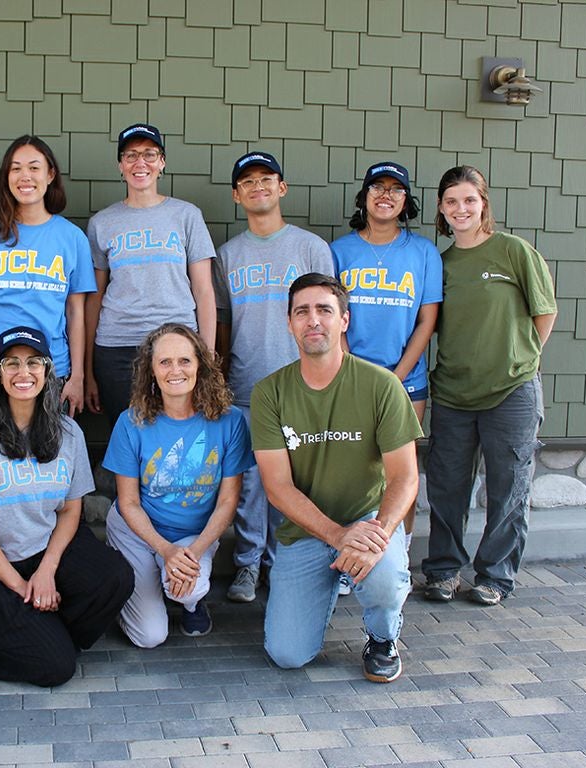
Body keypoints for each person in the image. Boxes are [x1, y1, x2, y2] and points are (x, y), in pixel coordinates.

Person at [252, 273, 422, 683]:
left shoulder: (381, 385)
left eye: (324, 310)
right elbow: (277, 487)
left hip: (368, 520)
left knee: (383, 578)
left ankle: (382, 637)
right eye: (302, 312)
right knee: (287, 654)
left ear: (344, 320)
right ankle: (329, 583)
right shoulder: (269, 394)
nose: (313, 320)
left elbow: (404, 477)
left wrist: (377, 533)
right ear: (290, 323)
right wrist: (336, 536)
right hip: (308, 528)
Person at [0, 326, 134, 687]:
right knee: (55, 668)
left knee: (115, 577)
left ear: (47, 371)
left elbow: (70, 511)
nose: (23, 372)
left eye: (33, 363)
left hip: (43, 547)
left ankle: (41, 628)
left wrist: (46, 572)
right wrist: (20, 586)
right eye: (11, 363)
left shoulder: (69, 433)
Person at [422, 166, 557, 607]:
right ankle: (443, 572)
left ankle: (495, 576)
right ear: (442, 210)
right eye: (451, 202)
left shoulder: (514, 252)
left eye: (469, 200)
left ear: (484, 203)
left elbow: (545, 312)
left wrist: (521, 358)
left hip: (511, 392)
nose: (461, 209)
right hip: (454, 393)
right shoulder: (439, 265)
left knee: (509, 486)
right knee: (447, 487)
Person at [213, 151, 333, 604]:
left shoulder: (309, 248)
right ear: (236, 195)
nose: (258, 187)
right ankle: (247, 566)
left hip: (305, 386)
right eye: (247, 182)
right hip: (248, 387)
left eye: (267, 179)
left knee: (305, 483)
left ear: (281, 188)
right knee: (251, 488)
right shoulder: (227, 255)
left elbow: (333, 319)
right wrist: (220, 380)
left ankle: (289, 565)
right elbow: (224, 325)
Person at [104, 323, 253, 647]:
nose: (176, 370)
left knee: (189, 585)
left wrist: (192, 553)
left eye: (185, 360)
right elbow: (128, 502)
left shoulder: (229, 421)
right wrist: (166, 550)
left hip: (194, 534)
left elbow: (228, 501)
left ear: (201, 364)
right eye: (165, 362)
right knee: (149, 636)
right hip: (138, 531)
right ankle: (129, 592)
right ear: (151, 371)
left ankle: (192, 603)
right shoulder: (131, 422)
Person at [332, 161, 442, 571]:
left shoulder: (423, 253)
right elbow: (334, 319)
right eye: (377, 187)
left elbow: (427, 320)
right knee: (351, 470)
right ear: (363, 198)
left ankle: (397, 553)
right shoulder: (340, 251)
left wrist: (393, 379)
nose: (385, 195)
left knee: (400, 474)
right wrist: (352, 374)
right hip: (351, 378)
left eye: (396, 189)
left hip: (406, 382)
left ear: (406, 201)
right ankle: (347, 556)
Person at [85, 123, 219, 426]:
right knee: (128, 436)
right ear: (120, 165)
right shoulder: (102, 223)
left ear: (162, 162)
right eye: (131, 155)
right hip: (117, 348)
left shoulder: (186, 216)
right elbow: (93, 298)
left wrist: (206, 357)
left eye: (149, 154)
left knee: (174, 431)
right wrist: (87, 369)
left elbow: (204, 291)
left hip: (177, 344)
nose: (140, 163)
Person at [0, 136, 96, 417]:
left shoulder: (72, 238)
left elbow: (75, 312)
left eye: (34, 168)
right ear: (6, 176)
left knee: (47, 454)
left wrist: (78, 375)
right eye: (16, 168)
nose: (25, 177)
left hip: (51, 367)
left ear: (50, 174)